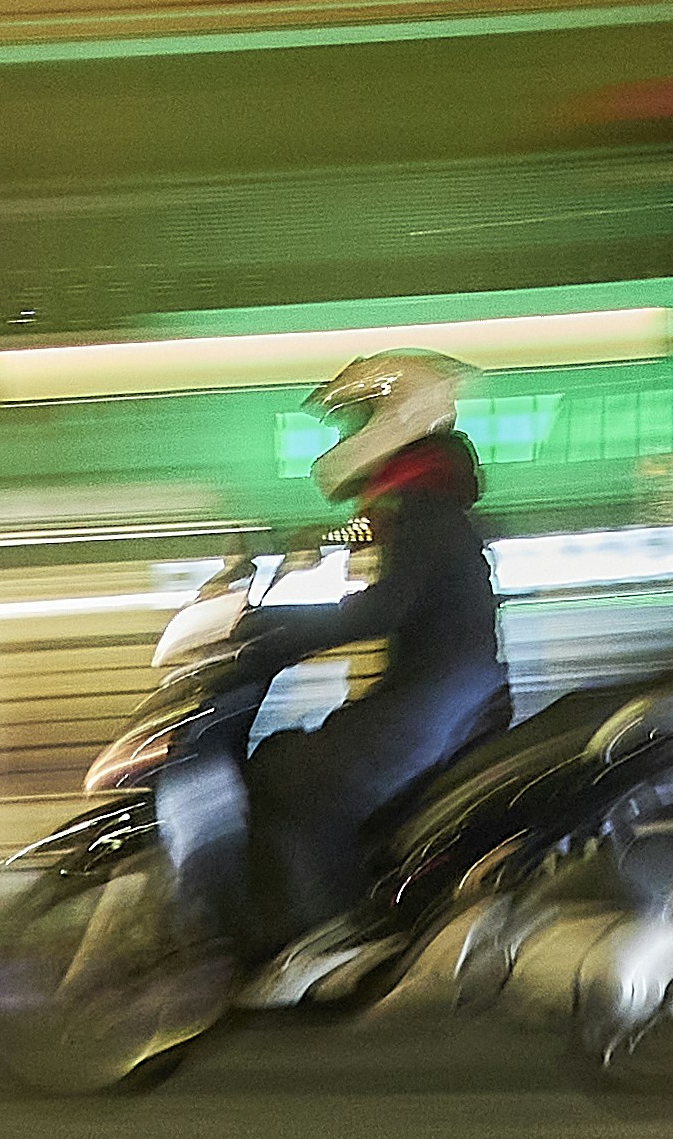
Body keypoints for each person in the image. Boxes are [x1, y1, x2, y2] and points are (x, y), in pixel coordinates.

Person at [214, 348, 506, 958]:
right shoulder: (416, 499)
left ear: (396, 415)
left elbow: (386, 606)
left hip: (435, 699)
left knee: (293, 782)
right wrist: (286, 570)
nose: (350, 435)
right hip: (436, 691)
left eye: (357, 419)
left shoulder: (421, 503)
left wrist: (274, 630)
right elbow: (371, 569)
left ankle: (332, 949)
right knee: (285, 761)